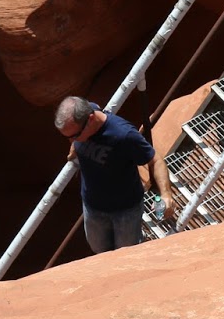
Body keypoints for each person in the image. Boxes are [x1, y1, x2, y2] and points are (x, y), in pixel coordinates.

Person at [55, 96, 173, 253]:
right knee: (99, 251)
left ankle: (139, 239)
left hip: (126, 210)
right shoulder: (86, 111)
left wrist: (166, 194)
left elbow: (155, 160)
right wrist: (76, 145)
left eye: (74, 136)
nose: (72, 141)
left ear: (91, 120)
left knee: (125, 253)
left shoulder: (123, 135)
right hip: (93, 207)